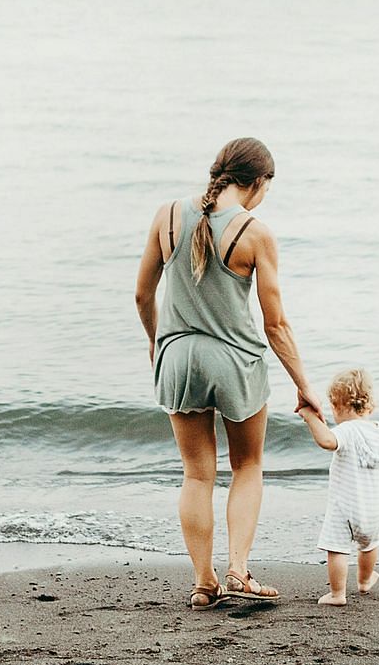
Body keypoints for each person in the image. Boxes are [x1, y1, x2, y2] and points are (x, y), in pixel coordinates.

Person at [135, 138, 326, 610]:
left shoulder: (167, 215)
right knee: (247, 467)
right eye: (266, 188)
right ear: (256, 182)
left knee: (197, 475)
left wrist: (159, 346)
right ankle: (239, 568)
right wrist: (305, 387)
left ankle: (204, 582)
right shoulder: (255, 233)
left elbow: (142, 296)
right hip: (235, 360)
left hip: (178, 357)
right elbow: (275, 323)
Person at [297, 368, 379, 607]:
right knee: (369, 545)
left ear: (337, 406)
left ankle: (338, 594)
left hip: (346, 508)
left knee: (337, 549)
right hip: (375, 509)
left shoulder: (347, 431)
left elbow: (327, 441)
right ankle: (364, 580)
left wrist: (309, 417)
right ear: (369, 406)